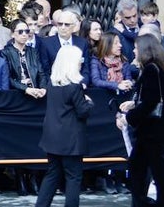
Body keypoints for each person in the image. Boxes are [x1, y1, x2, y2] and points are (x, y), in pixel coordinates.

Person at [36, 46, 94, 207]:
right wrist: (89, 102)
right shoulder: (74, 86)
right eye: (80, 60)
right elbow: (83, 111)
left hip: (52, 136)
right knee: (73, 178)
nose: (81, 62)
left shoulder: (52, 83)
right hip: (71, 139)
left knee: (52, 174)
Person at [120, 34, 164, 206]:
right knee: (147, 170)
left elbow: (150, 101)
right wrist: (133, 104)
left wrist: (129, 117)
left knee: (150, 172)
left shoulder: (151, 70)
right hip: (154, 131)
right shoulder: (158, 68)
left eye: (136, 48)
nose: (134, 51)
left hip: (152, 131)